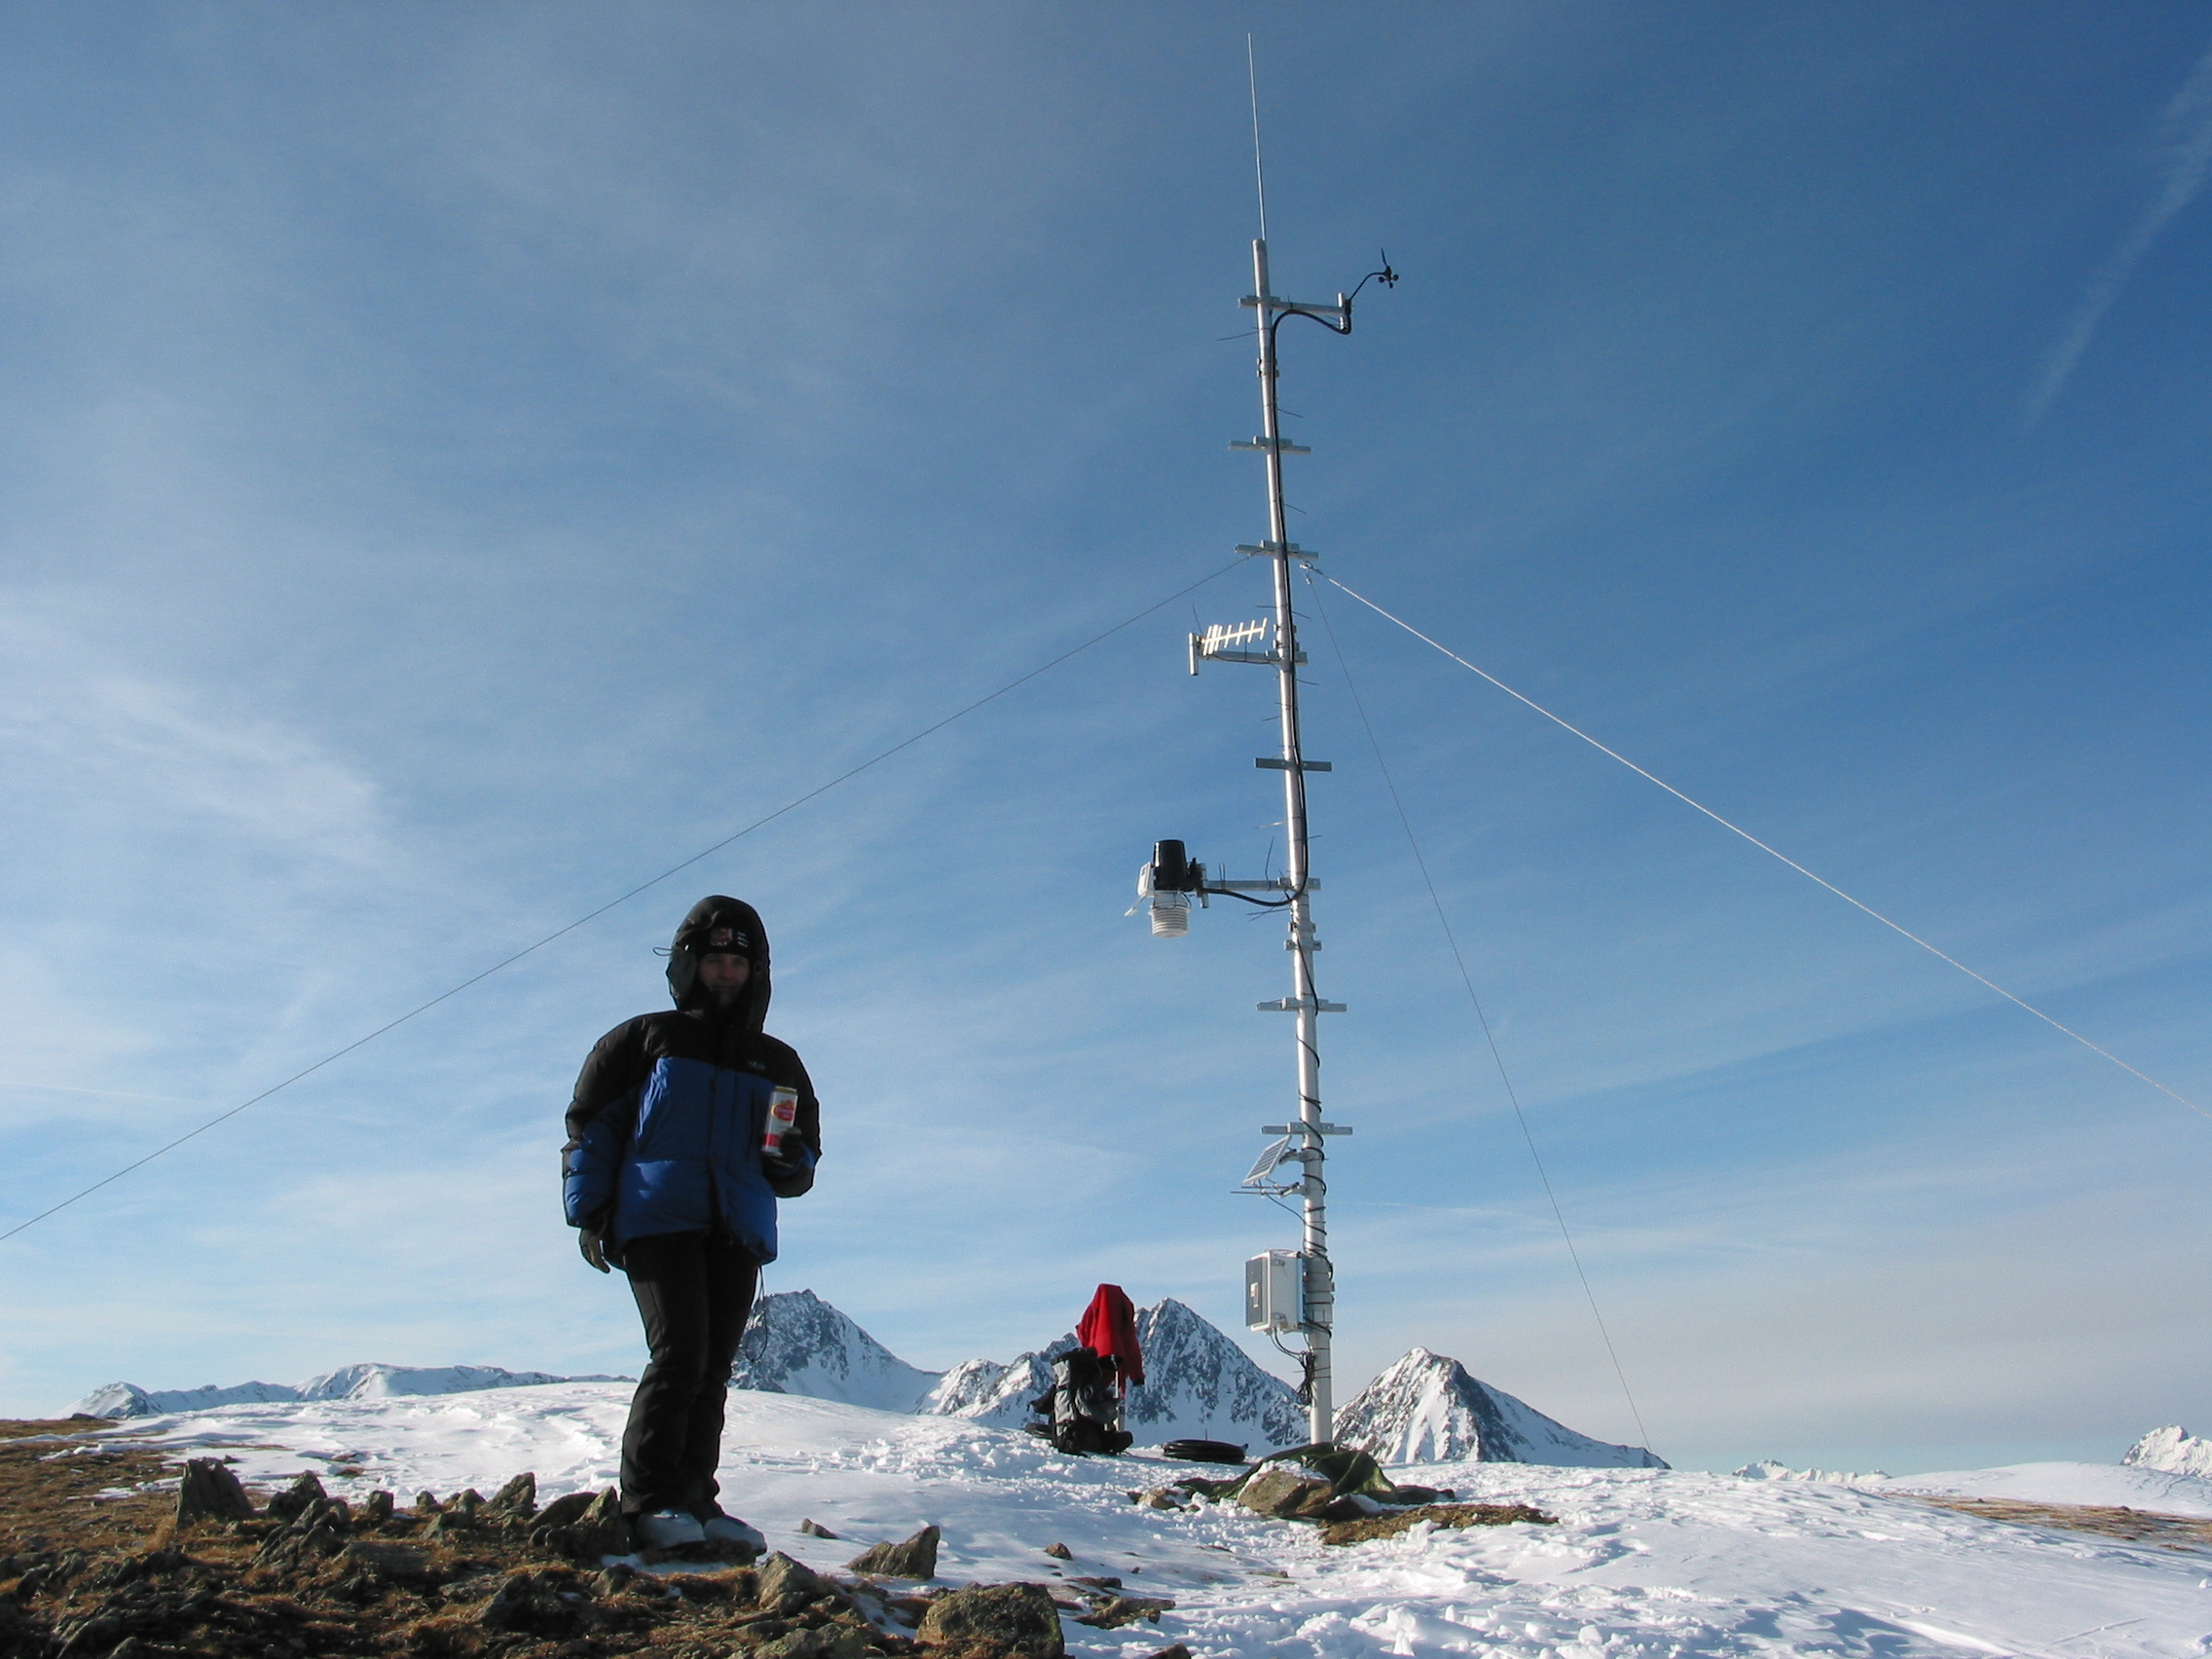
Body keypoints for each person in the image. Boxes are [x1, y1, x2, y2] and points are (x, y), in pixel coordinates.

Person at [562, 895, 820, 1552]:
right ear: (687, 964)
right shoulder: (644, 1041)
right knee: (678, 1354)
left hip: (736, 1225)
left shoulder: (779, 1062)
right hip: (656, 1215)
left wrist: (789, 1160)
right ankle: (648, 1503)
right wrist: (590, 1212)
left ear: (756, 971)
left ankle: (696, 1503)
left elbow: (801, 1157)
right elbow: (592, 1128)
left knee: (711, 1368)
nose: (726, 974)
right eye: (713, 961)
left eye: (738, 963)